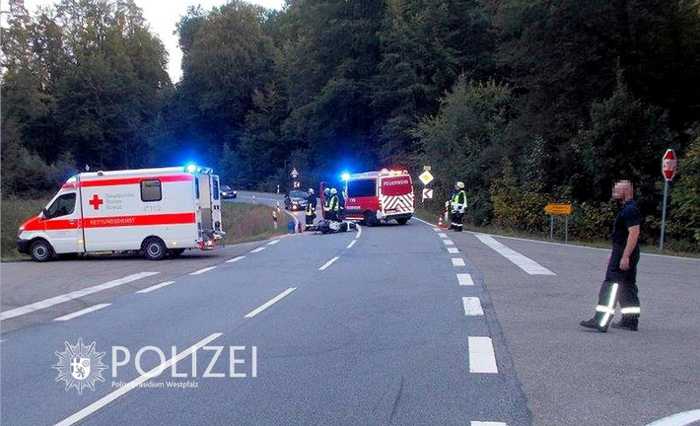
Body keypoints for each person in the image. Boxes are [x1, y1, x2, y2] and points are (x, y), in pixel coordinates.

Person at [580, 180, 641, 332]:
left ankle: (601, 320)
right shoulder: (628, 208)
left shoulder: (629, 210)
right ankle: (630, 321)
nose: (613, 193)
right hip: (625, 250)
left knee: (611, 284)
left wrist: (624, 255)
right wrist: (616, 253)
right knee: (627, 285)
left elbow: (634, 233)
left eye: (616, 191)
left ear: (625, 191)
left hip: (625, 251)